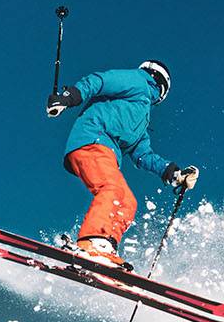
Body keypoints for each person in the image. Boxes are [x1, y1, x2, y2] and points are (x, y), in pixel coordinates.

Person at [46, 60, 198, 266]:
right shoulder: (138, 81)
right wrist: (69, 97)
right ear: (162, 88)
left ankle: (105, 246)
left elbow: (143, 154)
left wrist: (174, 174)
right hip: (93, 140)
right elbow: (100, 81)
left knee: (127, 202)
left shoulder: (141, 119)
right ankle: (91, 243)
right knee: (112, 189)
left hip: (105, 153)